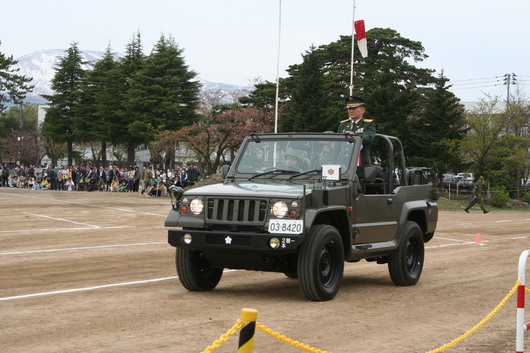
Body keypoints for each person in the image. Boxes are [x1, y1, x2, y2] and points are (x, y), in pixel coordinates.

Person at [336, 95, 376, 166]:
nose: (351, 111)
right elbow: (337, 145)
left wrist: (355, 136)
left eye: (354, 108)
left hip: (360, 164)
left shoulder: (368, 124)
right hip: (342, 162)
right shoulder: (343, 125)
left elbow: (368, 138)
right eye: (349, 109)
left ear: (363, 110)